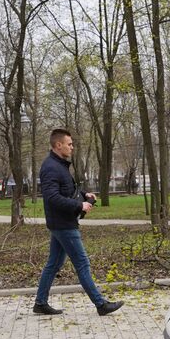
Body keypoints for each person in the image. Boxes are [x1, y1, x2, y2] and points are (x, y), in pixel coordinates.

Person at [33, 128, 122, 316]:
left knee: (53, 264)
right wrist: (79, 205)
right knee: (82, 263)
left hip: (61, 222)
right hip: (63, 223)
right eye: (69, 144)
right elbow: (52, 198)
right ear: (59, 145)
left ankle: (40, 303)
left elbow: (66, 190)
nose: (72, 147)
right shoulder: (50, 167)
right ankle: (101, 305)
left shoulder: (59, 165)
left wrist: (84, 195)